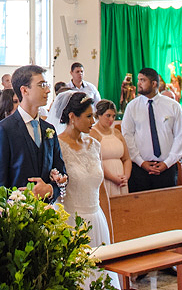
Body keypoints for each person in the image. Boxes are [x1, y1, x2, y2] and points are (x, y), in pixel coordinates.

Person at [55, 92, 116, 288]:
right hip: (71, 221)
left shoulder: (94, 145)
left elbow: (102, 190)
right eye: (89, 116)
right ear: (73, 117)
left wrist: (110, 226)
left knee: (100, 277)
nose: (93, 121)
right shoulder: (57, 145)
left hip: (97, 221)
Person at [0, 65, 67, 204]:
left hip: (48, 214)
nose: (48, 90)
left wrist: (50, 188)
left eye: (47, 85)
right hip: (16, 217)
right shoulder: (3, 129)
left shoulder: (49, 130)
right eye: (42, 85)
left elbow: (62, 173)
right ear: (24, 90)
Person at [121, 67, 182, 191]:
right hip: (140, 169)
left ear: (154, 83)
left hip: (167, 168)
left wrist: (167, 163)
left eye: (143, 80)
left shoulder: (173, 106)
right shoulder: (132, 107)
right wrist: (140, 162)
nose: (138, 83)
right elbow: (127, 136)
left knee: (167, 206)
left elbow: (180, 136)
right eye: (138, 79)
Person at [89, 99, 130, 197]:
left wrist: (126, 177)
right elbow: (95, 161)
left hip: (121, 180)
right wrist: (112, 178)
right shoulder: (92, 134)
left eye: (113, 116)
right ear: (99, 115)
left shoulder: (117, 133)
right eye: (108, 115)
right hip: (105, 179)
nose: (111, 119)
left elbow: (126, 158)